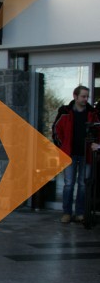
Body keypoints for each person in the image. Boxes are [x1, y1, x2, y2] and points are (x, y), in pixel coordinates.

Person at [52, 85, 100, 224]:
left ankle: (80, 213)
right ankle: (67, 213)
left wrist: (96, 146)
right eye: (83, 96)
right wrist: (62, 146)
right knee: (68, 184)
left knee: (83, 185)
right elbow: (56, 129)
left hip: (87, 154)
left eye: (87, 96)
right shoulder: (65, 112)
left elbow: (98, 131)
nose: (86, 99)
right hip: (69, 154)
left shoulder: (93, 113)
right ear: (75, 96)